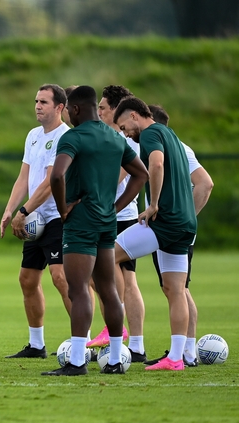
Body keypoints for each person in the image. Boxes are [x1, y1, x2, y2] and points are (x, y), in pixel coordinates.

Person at [42, 86, 148, 376]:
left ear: (75, 109)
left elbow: (58, 175)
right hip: (105, 222)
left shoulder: (73, 137)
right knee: (109, 290)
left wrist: (63, 209)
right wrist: (115, 207)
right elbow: (142, 174)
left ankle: (77, 362)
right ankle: (115, 359)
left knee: (78, 291)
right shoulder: (114, 136)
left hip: (81, 223)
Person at [112, 96, 197, 371]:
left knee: (104, 255)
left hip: (165, 220)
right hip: (186, 223)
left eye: (124, 127)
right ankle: (175, 358)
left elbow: (156, 165)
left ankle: (114, 329)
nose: (125, 133)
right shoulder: (170, 134)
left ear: (135, 115)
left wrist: (153, 205)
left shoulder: (150, 134)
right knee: (176, 289)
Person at [0, 84, 71, 359]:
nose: (37, 106)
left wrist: (24, 211)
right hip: (34, 218)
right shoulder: (33, 135)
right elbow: (24, 177)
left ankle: (84, 341)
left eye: (43, 102)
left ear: (60, 107)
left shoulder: (66, 136)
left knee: (61, 277)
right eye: (36, 101)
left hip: (56, 217)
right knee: (27, 279)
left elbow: (52, 182)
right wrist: (10, 210)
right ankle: (37, 345)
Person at [144, 104, 214, 367]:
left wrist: (182, 218)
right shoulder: (176, 146)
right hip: (174, 228)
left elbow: (206, 184)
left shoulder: (174, 148)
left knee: (178, 288)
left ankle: (187, 352)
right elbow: (204, 184)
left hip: (170, 229)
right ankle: (186, 351)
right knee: (174, 288)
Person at [86, 85, 141, 359]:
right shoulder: (116, 137)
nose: (99, 112)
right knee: (128, 281)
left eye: (103, 108)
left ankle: (114, 325)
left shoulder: (124, 140)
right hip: (123, 214)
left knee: (102, 272)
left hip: (117, 215)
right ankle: (138, 346)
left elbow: (116, 177)